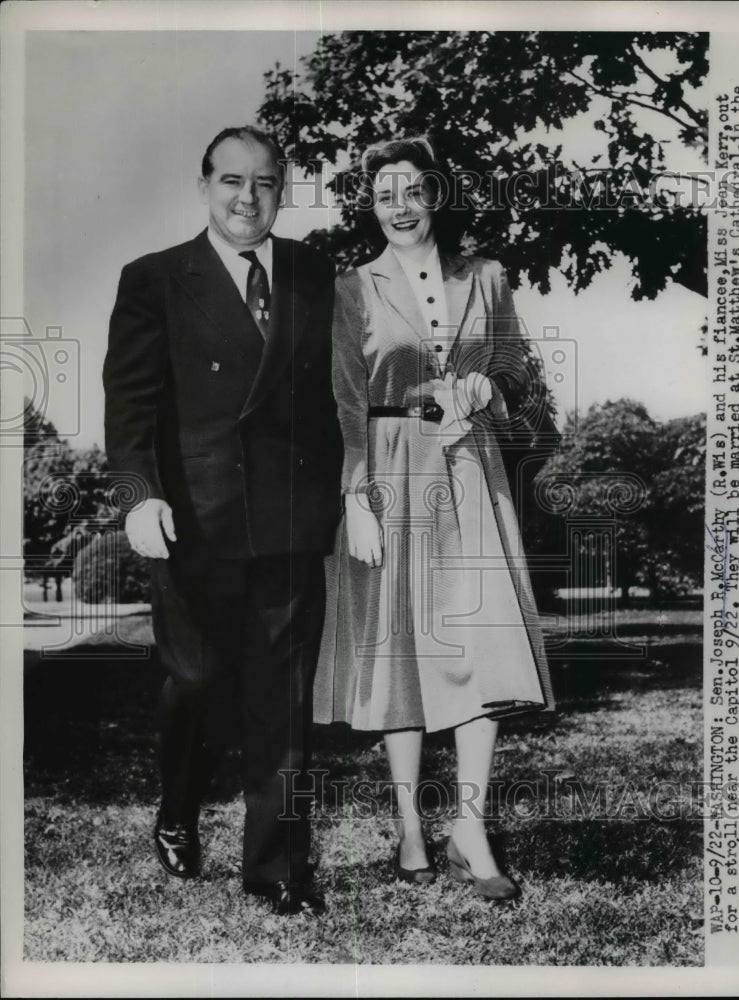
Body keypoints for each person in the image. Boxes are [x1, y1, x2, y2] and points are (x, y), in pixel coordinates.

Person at [103, 126, 342, 916]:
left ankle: (277, 868)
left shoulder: (313, 274)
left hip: (288, 521)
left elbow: (332, 399)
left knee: (284, 700)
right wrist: (139, 495)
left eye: (266, 183)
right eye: (232, 181)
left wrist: (352, 498)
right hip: (190, 522)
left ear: (283, 188)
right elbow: (131, 406)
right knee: (197, 681)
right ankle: (178, 807)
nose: (249, 198)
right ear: (204, 185)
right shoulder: (155, 279)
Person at [313, 136, 555, 901]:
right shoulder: (350, 289)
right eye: (384, 192)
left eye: (412, 189)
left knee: (482, 640)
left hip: (467, 465)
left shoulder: (484, 275)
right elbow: (344, 403)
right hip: (389, 471)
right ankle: (411, 830)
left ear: (436, 196)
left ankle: (470, 827)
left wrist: (485, 386)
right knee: (401, 651)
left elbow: (515, 360)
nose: (398, 204)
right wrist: (355, 499)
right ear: (371, 205)